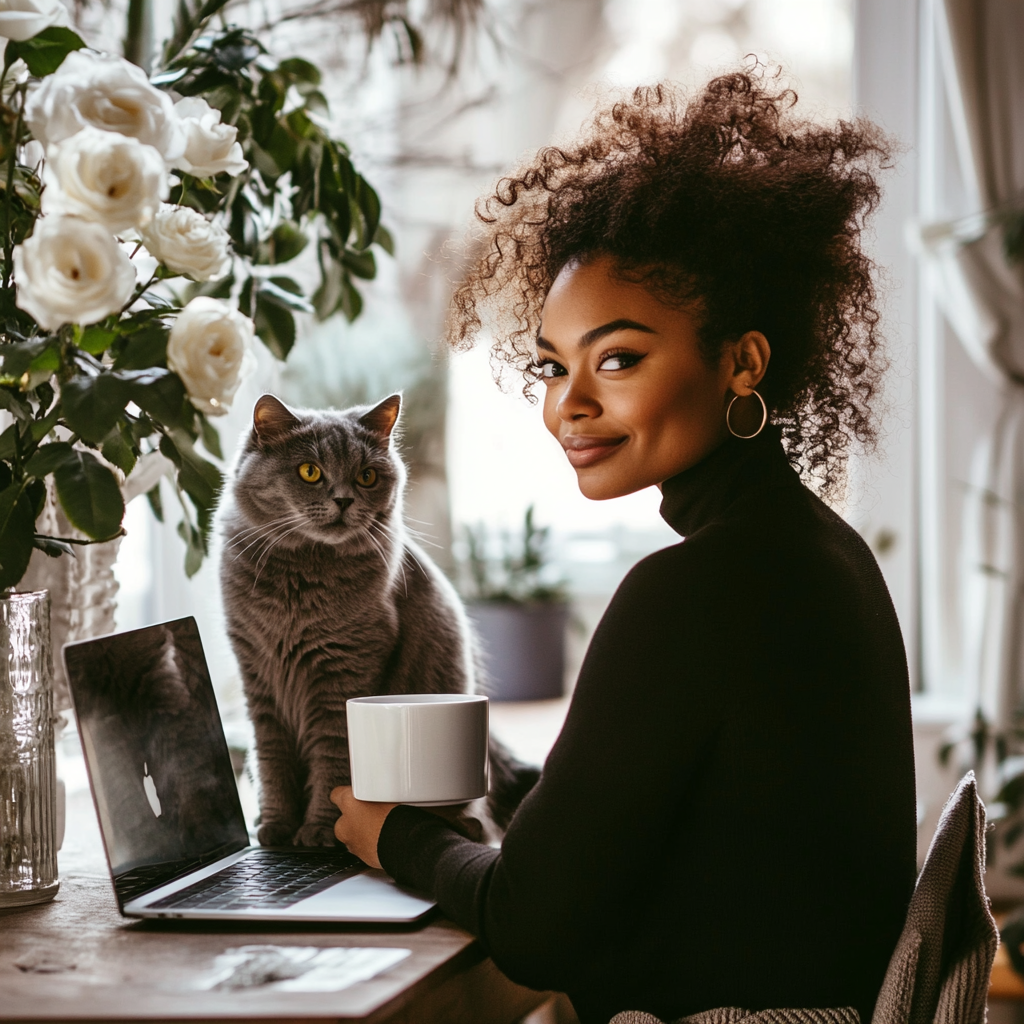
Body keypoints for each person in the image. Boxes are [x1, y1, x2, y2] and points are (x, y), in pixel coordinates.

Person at [331, 71, 917, 1024]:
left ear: (743, 361)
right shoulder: (820, 555)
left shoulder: (698, 587)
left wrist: (392, 835)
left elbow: (533, 928)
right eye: (554, 366)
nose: (571, 404)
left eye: (619, 359)